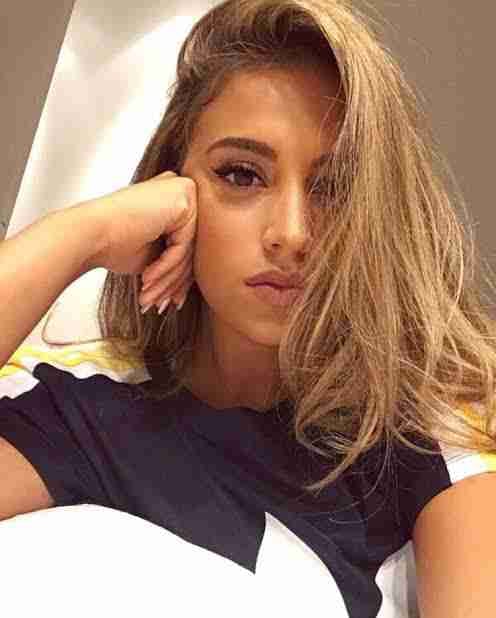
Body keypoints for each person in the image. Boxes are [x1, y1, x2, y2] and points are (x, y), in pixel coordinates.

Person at [1, 0, 496, 616]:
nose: (291, 234)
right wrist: (81, 235)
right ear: (172, 187)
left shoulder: (427, 430)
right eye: (242, 175)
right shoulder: (86, 413)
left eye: (334, 187)